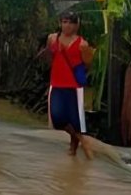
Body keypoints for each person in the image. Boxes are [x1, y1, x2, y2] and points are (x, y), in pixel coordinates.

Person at [44, 11, 94, 158]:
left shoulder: (82, 44)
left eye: (70, 22)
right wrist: (51, 47)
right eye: (64, 22)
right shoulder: (53, 38)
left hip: (73, 85)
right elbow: (48, 58)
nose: (67, 25)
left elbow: (88, 64)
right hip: (57, 83)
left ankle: (73, 147)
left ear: (76, 25)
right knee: (57, 117)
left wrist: (84, 53)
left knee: (74, 119)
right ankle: (83, 140)